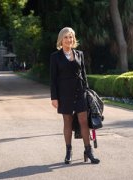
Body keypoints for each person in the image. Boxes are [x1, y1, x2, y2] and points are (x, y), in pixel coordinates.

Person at [50, 27, 100, 164]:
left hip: (80, 93)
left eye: (71, 37)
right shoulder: (55, 57)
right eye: (66, 37)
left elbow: (84, 75)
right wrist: (54, 97)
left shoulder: (79, 54)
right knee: (68, 122)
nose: (69, 40)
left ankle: (88, 151)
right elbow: (53, 79)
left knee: (84, 121)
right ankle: (68, 151)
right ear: (61, 40)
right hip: (64, 95)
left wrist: (88, 92)